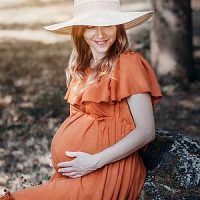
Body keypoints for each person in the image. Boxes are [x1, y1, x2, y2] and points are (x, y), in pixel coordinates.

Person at [0, 0, 162, 199]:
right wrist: (62, 154)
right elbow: (77, 121)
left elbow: (146, 131)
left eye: (108, 25)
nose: (100, 34)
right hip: (77, 170)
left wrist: (94, 161)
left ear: (118, 28)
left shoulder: (128, 63)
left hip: (109, 169)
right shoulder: (82, 68)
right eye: (91, 26)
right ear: (80, 32)